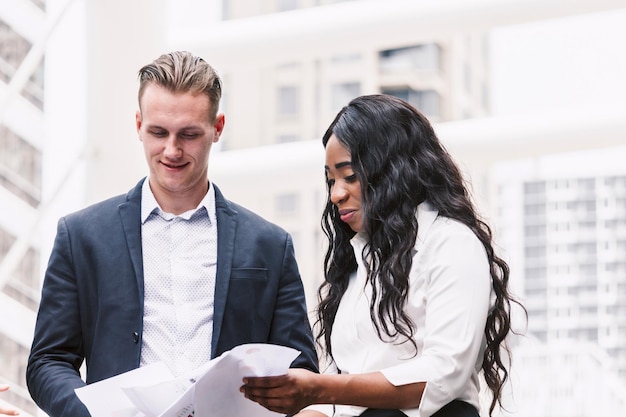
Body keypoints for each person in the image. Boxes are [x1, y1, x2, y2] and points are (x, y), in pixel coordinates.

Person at [26, 51, 318, 417]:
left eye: (189, 134)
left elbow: (302, 369)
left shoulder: (270, 245)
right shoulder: (81, 236)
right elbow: (47, 362)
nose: (172, 150)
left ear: (217, 128)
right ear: (138, 125)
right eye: (158, 132)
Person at [240, 94, 524, 417]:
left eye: (350, 176)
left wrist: (319, 388)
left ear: (392, 170)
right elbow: (344, 397)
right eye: (331, 179)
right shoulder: (356, 263)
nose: (336, 194)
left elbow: (444, 374)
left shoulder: (452, 243)